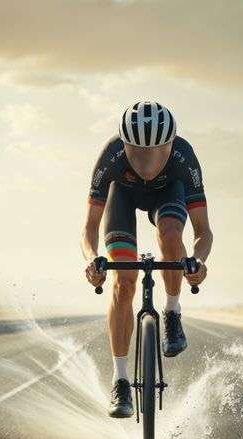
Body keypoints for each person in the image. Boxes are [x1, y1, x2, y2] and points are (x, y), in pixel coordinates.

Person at [80, 101, 214, 418]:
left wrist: (198, 261)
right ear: (124, 144)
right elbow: (89, 225)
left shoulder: (185, 159)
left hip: (168, 193)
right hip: (122, 198)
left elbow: (203, 230)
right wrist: (92, 259)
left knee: (170, 236)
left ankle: (171, 312)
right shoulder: (109, 157)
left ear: (170, 145)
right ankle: (121, 380)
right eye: (137, 152)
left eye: (156, 152)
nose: (146, 163)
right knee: (123, 284)